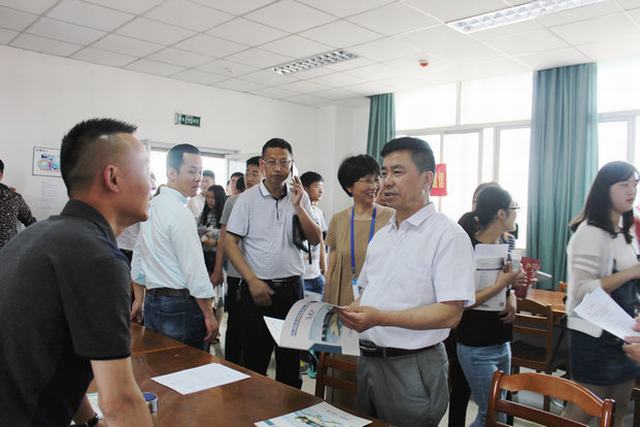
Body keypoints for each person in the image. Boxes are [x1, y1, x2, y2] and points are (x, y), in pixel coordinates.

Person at [0, 118, 153, 426]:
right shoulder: (98, 258)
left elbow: (56, 356)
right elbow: (120, 401)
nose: (152, 182)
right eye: (146, 168)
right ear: (113, 177)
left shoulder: (36, 236)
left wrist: (89, 422)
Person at [338, 137, 476, 427]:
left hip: (412, 364)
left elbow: (450, 314)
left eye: (397, 172)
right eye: (384, 173)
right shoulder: (383, 236)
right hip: (369, 360)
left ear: (427, 179)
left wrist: (379, 318)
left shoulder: (447, 236)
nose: (386, 181)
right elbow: (368, 292)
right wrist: (347, 312)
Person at [225, 138, 321, 388]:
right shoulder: (247, 200)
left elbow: (315, 239)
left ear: (292, 164)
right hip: (258, 290)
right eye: (272, 162)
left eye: (284, 162)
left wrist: (299, 207)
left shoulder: (300, 197)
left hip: (292, 290)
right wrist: (251, 280)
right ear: (262, 165)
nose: (278, 168)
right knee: (255, 360)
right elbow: (230, 242)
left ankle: (289, 409)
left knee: (290, 363)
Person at [564, 161, 640, 427]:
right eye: (624, 184)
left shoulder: (626, 232)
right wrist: (631, 273)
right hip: (594, 337)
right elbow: (581, 291)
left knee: (619, 408)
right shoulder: (590, 232)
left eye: (635, 184)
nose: (632, 191)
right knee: (583, 412)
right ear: (605, 189)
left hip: (624, 332)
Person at [131, 144, 219, 351]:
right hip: (180, 307)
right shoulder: (180, 213)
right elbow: (194, 268)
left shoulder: (151, 206)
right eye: (192, 171)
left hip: (153, 303)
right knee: (188, 367)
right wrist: (208, 314)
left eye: (200, 172)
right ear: (171, 173)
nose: (198, 178)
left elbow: (139, 255)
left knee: (159, 364)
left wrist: (139, 298)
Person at [445, 181, 518, 427]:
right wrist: (501, 285)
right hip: (475, 341)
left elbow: (505, 285)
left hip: (501, 339)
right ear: (501, 214)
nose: (516, 213)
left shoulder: (504, 246)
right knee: (491, 413)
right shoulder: (467, 247)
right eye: (514, 208)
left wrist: (511, 296)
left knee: (500, 411)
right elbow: (463, 300)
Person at [323, 155, 394, 307]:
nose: (374, 186)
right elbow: (331, 270)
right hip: (342, 300)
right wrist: (327, 304)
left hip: (378, 302)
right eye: (367, 180)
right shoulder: (338, 219)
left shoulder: (392, 218)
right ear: (349, 187)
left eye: (377, 179)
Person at [212, 156, 261, 365]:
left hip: (260, 276)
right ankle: (230, 366)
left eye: (255, 173)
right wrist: (217, 271)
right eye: (247, 173)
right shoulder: (232, 202)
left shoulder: (270, 203)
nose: (249, 178)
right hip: (235, 274)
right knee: (235, 324)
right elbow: (223, 238)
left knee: (255, 329)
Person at [300, 171, 328, 297]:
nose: (321, 191)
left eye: (321, 187)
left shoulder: (319, 212)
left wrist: (325, 269)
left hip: (317, 275)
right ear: (305, 189)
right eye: (316, 186)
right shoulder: (296, 211)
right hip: (302, 276)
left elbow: (321, 242)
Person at [0, 158, 37, 249]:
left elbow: (30, 221)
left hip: (7, 252)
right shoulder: (13, 196)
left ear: (1, 175)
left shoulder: (13, 197)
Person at [197, 184, 226, 274]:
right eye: (208, 197)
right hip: (204, 254)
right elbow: (197, 231)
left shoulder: (225, 214)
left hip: (220, 256)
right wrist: (203, 238)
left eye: (213, 198)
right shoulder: (203, 214)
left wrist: (215, 242)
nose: (210, 200)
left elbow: (228, 237)